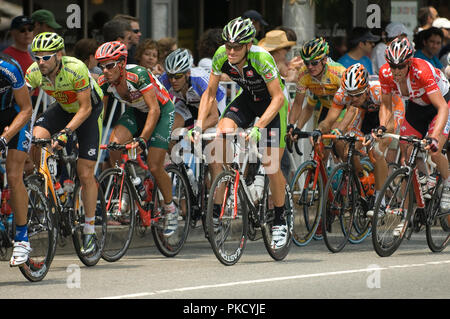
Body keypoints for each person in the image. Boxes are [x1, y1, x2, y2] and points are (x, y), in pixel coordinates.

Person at [191, 17, 290, 249]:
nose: (231, 51)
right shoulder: (220, 55)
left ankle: (279, 221)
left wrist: (258, 128)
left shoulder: (261, 58)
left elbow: (277, 97)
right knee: (220, 137)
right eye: (228, 46)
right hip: (247, 99)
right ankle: (230, 180)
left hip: (272, 104)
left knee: (271, 164)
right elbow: (209, 94)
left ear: (248, 45)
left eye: (237, 47)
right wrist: (198, 125)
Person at [26, 32, 104, 255]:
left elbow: (85, 108)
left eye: (46, 57)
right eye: (37, 57)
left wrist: (66, 133)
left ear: (59, 55)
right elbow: (19, 102)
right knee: (35, 138)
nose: (41, 62)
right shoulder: (33, 72)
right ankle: (55, 187)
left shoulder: (75, 68)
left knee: (85, 172)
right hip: (63, 107)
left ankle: (89, 230)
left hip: (88, 111)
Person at [95, 41, 178, 237]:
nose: (105, 71)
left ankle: (170, 209)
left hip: (161, 111)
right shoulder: (104, 82)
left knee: (155, 165)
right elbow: (100, 113)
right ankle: (127, 185)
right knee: (114, 145)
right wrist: (93, 137)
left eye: (109, 65)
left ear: (122, 64)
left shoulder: (138, 74)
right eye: (101, 66)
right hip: (136, 111)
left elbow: (154, 109)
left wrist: (142, 139)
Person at [378, 36, 450, 221]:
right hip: (417, 106)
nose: (396, 71)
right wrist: (382, 126)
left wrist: (433, 137)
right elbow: (386, 105)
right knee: (405, 147)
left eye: (400, 66)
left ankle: (448, 182)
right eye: (392, 66)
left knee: (434, 151)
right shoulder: (385, 73)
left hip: (440, 104)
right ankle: (424, 183)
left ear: (409, 63)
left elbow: (441, 107)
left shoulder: (421, 70)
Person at [317, 64, 404, 212]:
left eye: (358, 95)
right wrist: (318, 131)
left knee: (377, 150)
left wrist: (379, 132)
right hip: (366, 112)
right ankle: (363, 181)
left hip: (391, 111)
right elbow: (329, 120)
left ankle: (380, 200)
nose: (353, 98)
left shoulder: (377, 91)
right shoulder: (343, 94)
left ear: (366, 89)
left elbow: (388, 120)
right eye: (350, 95)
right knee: (348, 150)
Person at [0, 53, 33, 266]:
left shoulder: (8, 68)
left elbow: (27, 108)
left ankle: (22, 238)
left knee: (13, 175)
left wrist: (5, 137)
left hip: (15, 117)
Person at [159, 48, 225, 139]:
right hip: (188, 102)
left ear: (188, 73)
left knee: (209, 135)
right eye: (170, 76)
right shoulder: (164, 80)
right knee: (168, 130)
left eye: (178, 76)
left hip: (213, 104)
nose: (173, 80)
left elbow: (213, 117)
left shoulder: (200, 81)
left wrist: (191, 130)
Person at [288, 37, 346, 132]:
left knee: (334, 137)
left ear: (324, 60)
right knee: (317, 142)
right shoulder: (303, 74)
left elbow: (352, 105)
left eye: (314, 63)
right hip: (327, 108)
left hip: (344, 108)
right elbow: (300, 104)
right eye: (306, 63)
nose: (310, 67)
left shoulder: (339, 73)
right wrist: (293, 126)